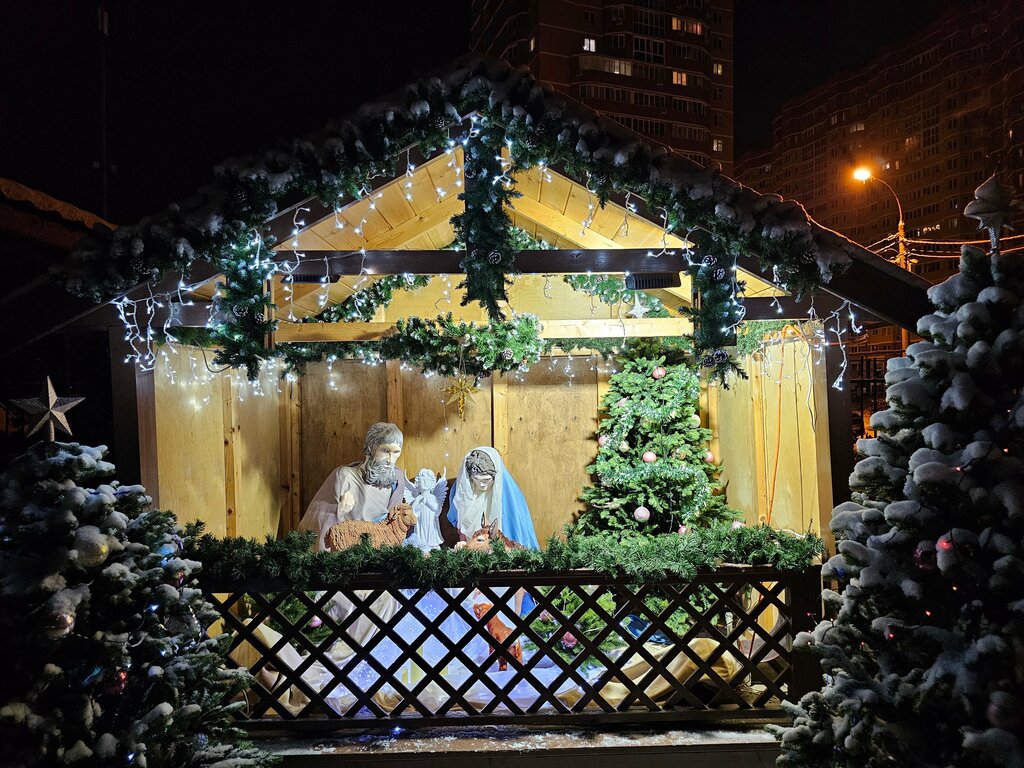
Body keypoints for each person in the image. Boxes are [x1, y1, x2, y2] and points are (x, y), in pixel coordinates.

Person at [299, 422, 410, 550]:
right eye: (385, 450)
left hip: (381, 548)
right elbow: (319, 518)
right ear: (371, 448)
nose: (390, 459)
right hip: (351, 546)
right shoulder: (346, 476)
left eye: (396, 452)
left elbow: (395, 521)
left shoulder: (397, 478)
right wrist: (339, 511)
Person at [447, 447, 539, 550]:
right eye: (476, 479)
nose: (481, 484)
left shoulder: (512, 500)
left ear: (496, 475)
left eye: (487, 479)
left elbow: (516, 533)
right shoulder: (462, 495)